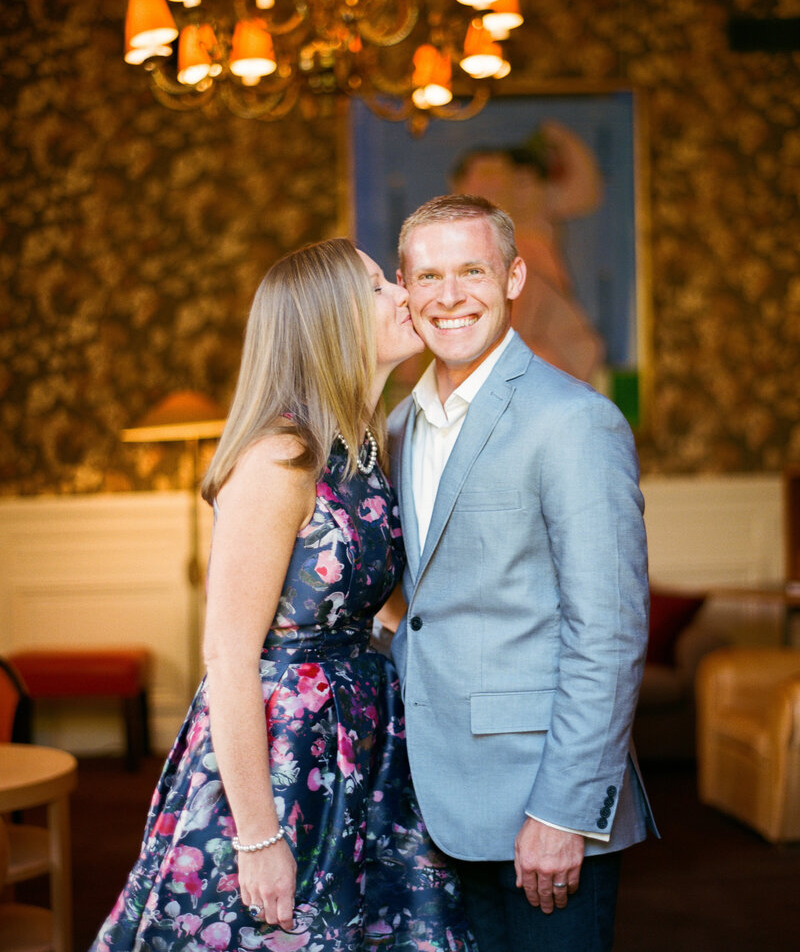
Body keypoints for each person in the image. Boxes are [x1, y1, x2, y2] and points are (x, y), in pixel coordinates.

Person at [91, 239, 477, 952]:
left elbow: (383, 606)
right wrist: (258, 834)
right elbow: (229, 655)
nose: (402, 294)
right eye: (375, 287)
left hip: (362, 740)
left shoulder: (367, 444)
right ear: (329, 320)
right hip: (280, 752)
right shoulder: (279, 455)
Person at [386, 195, 657, 952]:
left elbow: (607, 627)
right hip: (429, 797)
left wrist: (565, 810)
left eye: (471, 270)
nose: (448, 295)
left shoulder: (573, 419)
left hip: (540, 803)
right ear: (404, 291)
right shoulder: (399, 425)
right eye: (428, 275)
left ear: (514, 276)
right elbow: (428, 603)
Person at [450, 122, 606, 383]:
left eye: (503, 174)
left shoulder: (526, 229)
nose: (497, 183)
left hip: (542, 348)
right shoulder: (450, 241)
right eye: (486, 174)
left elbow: (584, 192)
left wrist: (560, 135)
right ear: (459, 184)